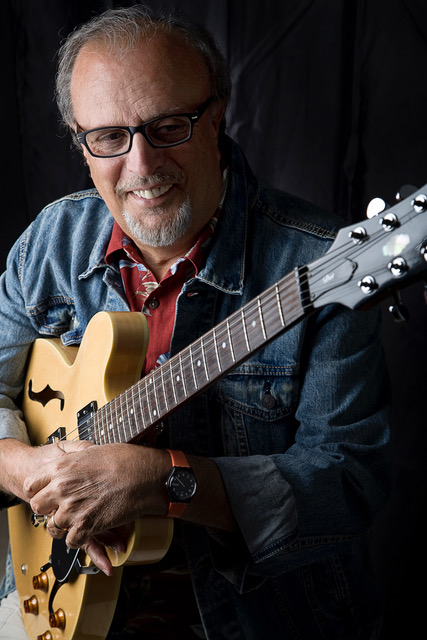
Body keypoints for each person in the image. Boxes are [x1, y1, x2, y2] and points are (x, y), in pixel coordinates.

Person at [0, 5, 390, 639]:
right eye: (108, 138)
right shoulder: (52, 241)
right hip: (57, 599)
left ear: (217, 117)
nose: (142, 165)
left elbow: (349, 482)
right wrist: (35, 475)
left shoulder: (321, 265)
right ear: (80, 142)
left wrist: (166, 483)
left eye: (168, 127)